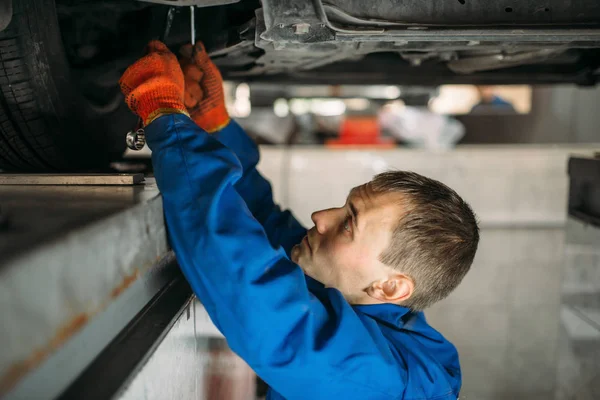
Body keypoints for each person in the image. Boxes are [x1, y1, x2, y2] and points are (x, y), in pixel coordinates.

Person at [119, 41, 480, 400]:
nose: (320, 217)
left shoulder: (381, 384)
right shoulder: (367, 302)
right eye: (344, 208)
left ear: (389, 288)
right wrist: (214, 125)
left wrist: (168, 120)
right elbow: (268, 226)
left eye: (348, 224)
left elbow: (259, 301)